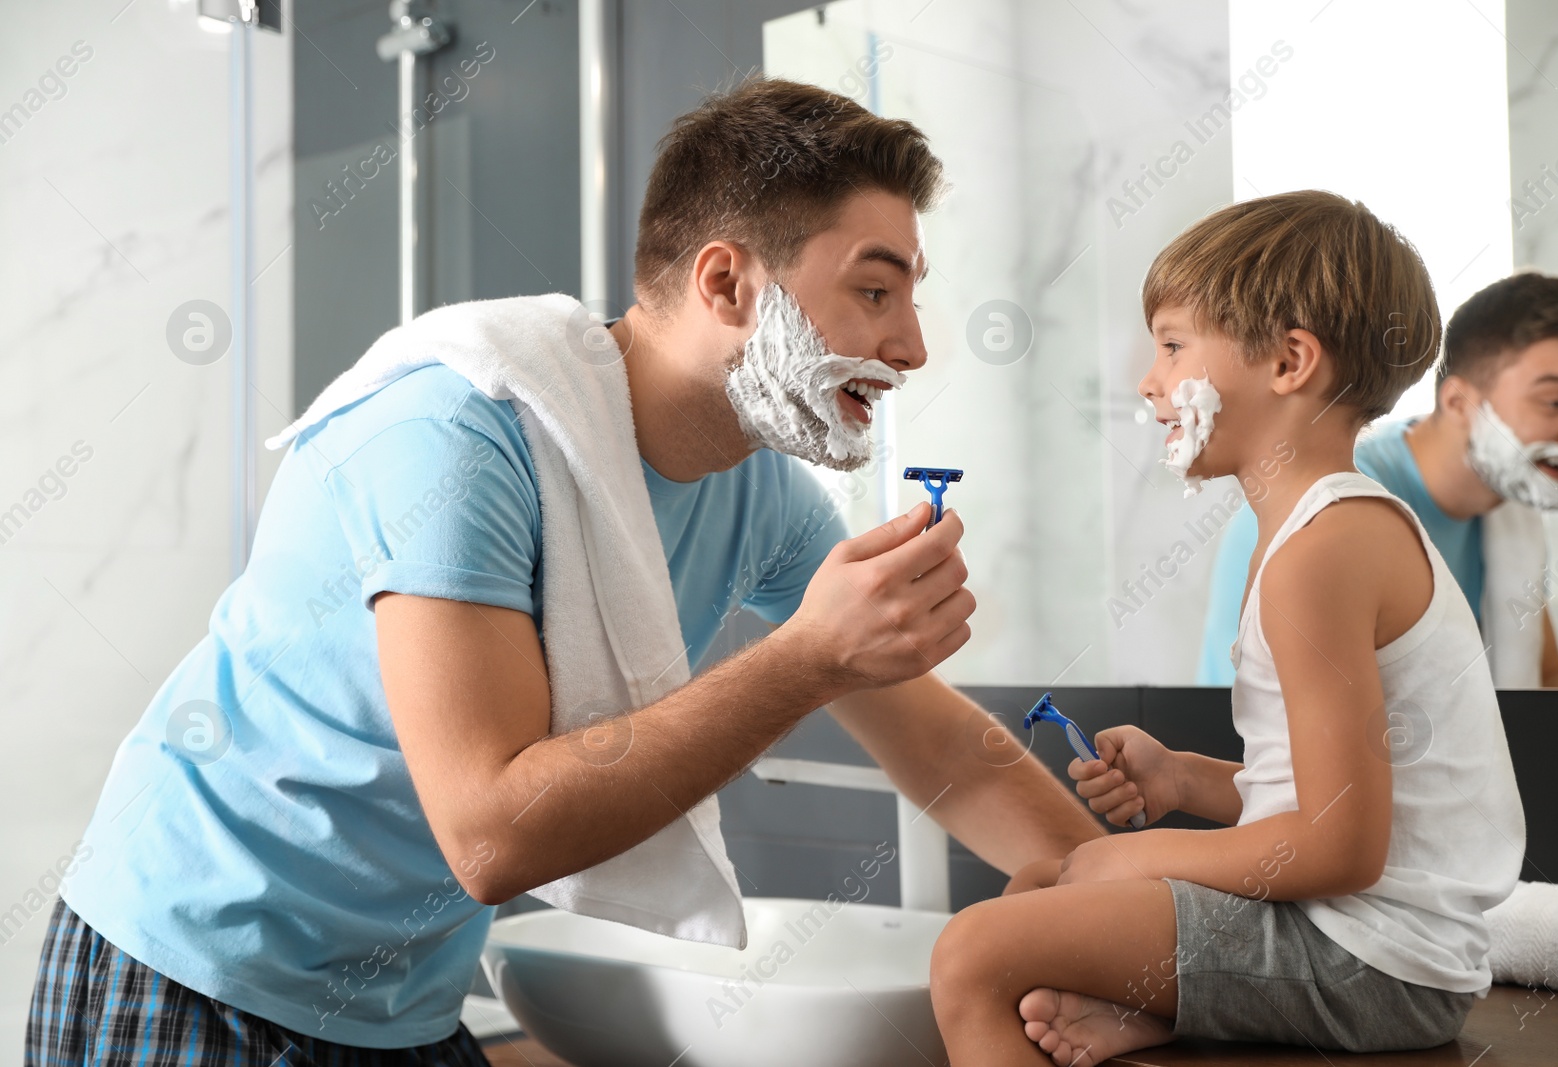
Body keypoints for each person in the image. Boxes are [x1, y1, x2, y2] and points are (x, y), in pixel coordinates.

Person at [28, 78, 1101, 1064]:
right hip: (192, 968)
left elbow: (945, 746)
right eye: (875, 291)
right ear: (726, 281)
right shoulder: (457, 433)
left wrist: (1126, 917)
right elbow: (491, 836)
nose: (912, 346)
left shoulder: (759, 493)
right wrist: (806, 660)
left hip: (404, 1002)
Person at [928, 190, 1524, 1065]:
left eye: (1172, 346)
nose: (1148, 378)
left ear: (1289, 360)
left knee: (974, 952)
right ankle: (1160, 1007)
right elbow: (1324, 790)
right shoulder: (1314, 533)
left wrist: (1140, 858)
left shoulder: (1322, 552)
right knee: (1035, 883)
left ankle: (1166, 1003)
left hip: (1378, 963)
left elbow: (1341, 848)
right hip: (1354, 935)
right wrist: (1185, 779)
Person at [1197, 271, 1558, 687]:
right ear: (1459, 404)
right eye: (1555, 402)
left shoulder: (1505, 511)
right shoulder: (1337, 505)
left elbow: (1545, 695)